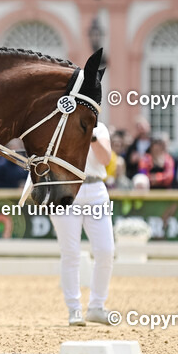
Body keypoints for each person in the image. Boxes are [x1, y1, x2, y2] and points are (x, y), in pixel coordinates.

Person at [49, 121, 116, 326]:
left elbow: (104, 159)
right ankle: (74, 309)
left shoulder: (100, 128)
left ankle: (96, 306)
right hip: (67, 187)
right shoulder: (59, 124)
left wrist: (90, 134)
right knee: (71, 253)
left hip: (95, 189)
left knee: (106, 251)